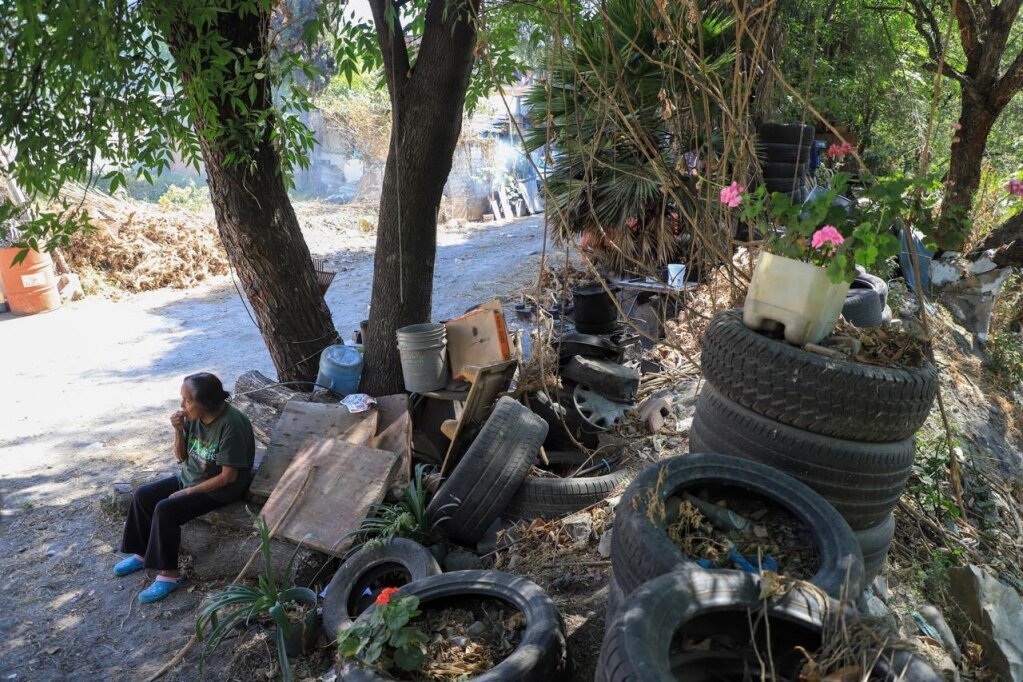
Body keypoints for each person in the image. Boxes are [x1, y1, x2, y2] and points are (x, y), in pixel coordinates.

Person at [114, 372, 255, 602]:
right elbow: (181, 458)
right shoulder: (194, 418)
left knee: (166, 509)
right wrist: (178, 430)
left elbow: (229, 477)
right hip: (191, 476)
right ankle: (142, 553)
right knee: (142, 495)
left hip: (219, 489)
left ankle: (169, 574)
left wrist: (186, 492)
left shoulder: (232, 424)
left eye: (187, 400)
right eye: (183, 398)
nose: (182, 405)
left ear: (206, 402)